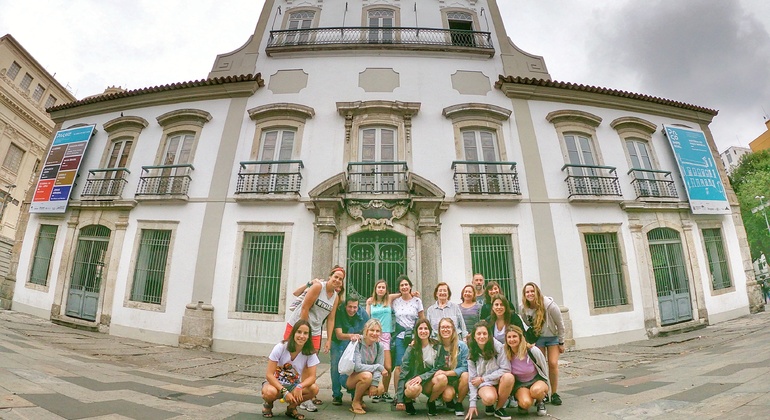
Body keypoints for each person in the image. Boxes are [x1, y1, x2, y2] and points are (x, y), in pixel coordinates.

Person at [285, 265, 344, 410]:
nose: (337, 280)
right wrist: (304, 331)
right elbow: (305, 307)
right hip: (298, 327)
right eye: (335, 277)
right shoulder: (318, 287)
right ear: (330, 277)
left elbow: (331, 319)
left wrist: (329, 339)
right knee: (288, 358)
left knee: (310, 363)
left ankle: (305, 396)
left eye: (340, 279)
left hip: (316, 331)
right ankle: (283, 390)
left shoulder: (335, 297)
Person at [262, 320, 320, 420]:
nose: (302, 336)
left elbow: (312, 377)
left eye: (305, 333)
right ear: (293, 333)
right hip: (275, 385)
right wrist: (284, 391)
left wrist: (300, 386)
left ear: (309, 336)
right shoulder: (281, 347)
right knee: (269, 392)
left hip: (293, 386)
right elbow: (269, 375)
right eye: (299, 332)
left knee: (314, 389)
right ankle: (268, 405)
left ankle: (291, 408)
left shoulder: (310, 352)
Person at [520, 282, 565, 406]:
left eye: (532, 291)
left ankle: (554, 393)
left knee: (552, 363)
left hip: (552, 337)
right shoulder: (523, 307)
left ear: (537, 292)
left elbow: (560, 324)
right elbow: (526, 321)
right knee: (539, 365)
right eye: (527, 292)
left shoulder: (550, 306)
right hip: (538, 337)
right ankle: (543, 393)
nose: (530, 294)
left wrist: (561, 341)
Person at [396, 318, 447, 415]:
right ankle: (408, 401)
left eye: (426, 328)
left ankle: (431, 402)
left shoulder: (437, 346)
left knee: (442, 378)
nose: (423, 331)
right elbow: (403, 371)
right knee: (413, 390)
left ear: (430, 331)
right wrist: (400, 399)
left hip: (428, 380)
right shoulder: (412, 348)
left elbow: (439, 367)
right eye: (420, 329)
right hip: (413, 379)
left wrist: (422, 377)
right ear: (416, 331)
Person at [465, 321, 514, 420]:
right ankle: (490, 404)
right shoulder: (471, 351)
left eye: (484, 333)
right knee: (489, 398)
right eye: (478, 334)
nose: (482, 336)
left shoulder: (498, 346)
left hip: (499, 381)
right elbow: (472, 379)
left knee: (509, 377)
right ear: (474, 336)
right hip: (485, 384)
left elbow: (506, 369)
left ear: (489, 335)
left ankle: (499, 408)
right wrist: (472, 404)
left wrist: (483, 378)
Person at [392, 275, 425, 408]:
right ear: (399, 288)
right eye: (402, 285)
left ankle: (410, 393)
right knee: (399, 366)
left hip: (413, 337)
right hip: (400, 336)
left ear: (410, 286)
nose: (404, 287)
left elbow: (422, 319)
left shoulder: (417, 301)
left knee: (413, 365)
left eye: (406, 284)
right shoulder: (395, 301)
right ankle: (397, 394)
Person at [331, 297, 369, 406]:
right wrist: (352, 336)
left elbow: (367, 331)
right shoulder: (339, 312)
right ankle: (336, 394)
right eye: (349, 307)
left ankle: (355, 394)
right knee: (335, 366)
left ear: (358, 306)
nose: (352, 310)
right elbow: (339, 335)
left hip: (356, 343)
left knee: (355, 367)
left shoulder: (364, 315)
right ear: (345, 306)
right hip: (338, 342)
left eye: (354, 307)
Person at [504, 325, 550, 416]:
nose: (512, 339)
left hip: (536, 379)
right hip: (520, 383)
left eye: (514, 336)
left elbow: (544, 367)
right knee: (525, 403)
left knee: (536, 391)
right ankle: (523, 402)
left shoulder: (532, 351)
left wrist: (548, 386)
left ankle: (540, 401)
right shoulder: (505, 353)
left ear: (520, 337)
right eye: (509, 337)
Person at [346, 318, 387, 414]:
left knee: (380, 389)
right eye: (372, 330)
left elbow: (379, 365)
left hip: (368, 377)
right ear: (366, 331)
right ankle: (355, 402)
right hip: (352, 377)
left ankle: (359, 398)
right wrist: (378, 367)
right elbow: (358, 367)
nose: (374, 333)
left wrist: (374, 383)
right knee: (367, 375)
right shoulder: (358, 342)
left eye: (377, 331)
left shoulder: (379, 346)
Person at [366, 279, 397, 403]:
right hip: (374, 335)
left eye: (383, 287)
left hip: (385, 336)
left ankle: (384, 391)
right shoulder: (370, 302)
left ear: (386, 289)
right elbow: (367, 317)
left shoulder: (389, 299)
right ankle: (376, 389)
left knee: (388, 367)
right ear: (375, 288)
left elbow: (402, 293)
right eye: (379, 287)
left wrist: (413, 294)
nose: (381, 289)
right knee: (373, 364)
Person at [435, 317, 469, 417]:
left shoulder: (462, 346)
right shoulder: (436, 345)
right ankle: (444, 398)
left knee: (466, 375)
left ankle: (459, 403)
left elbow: (465, 367)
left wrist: (447, 373)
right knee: (448, 396)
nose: (445, 329)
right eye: (443, 327)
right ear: (439, 330)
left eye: (448, 327)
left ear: (453, 329)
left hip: (457, 378)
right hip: (443, 380)